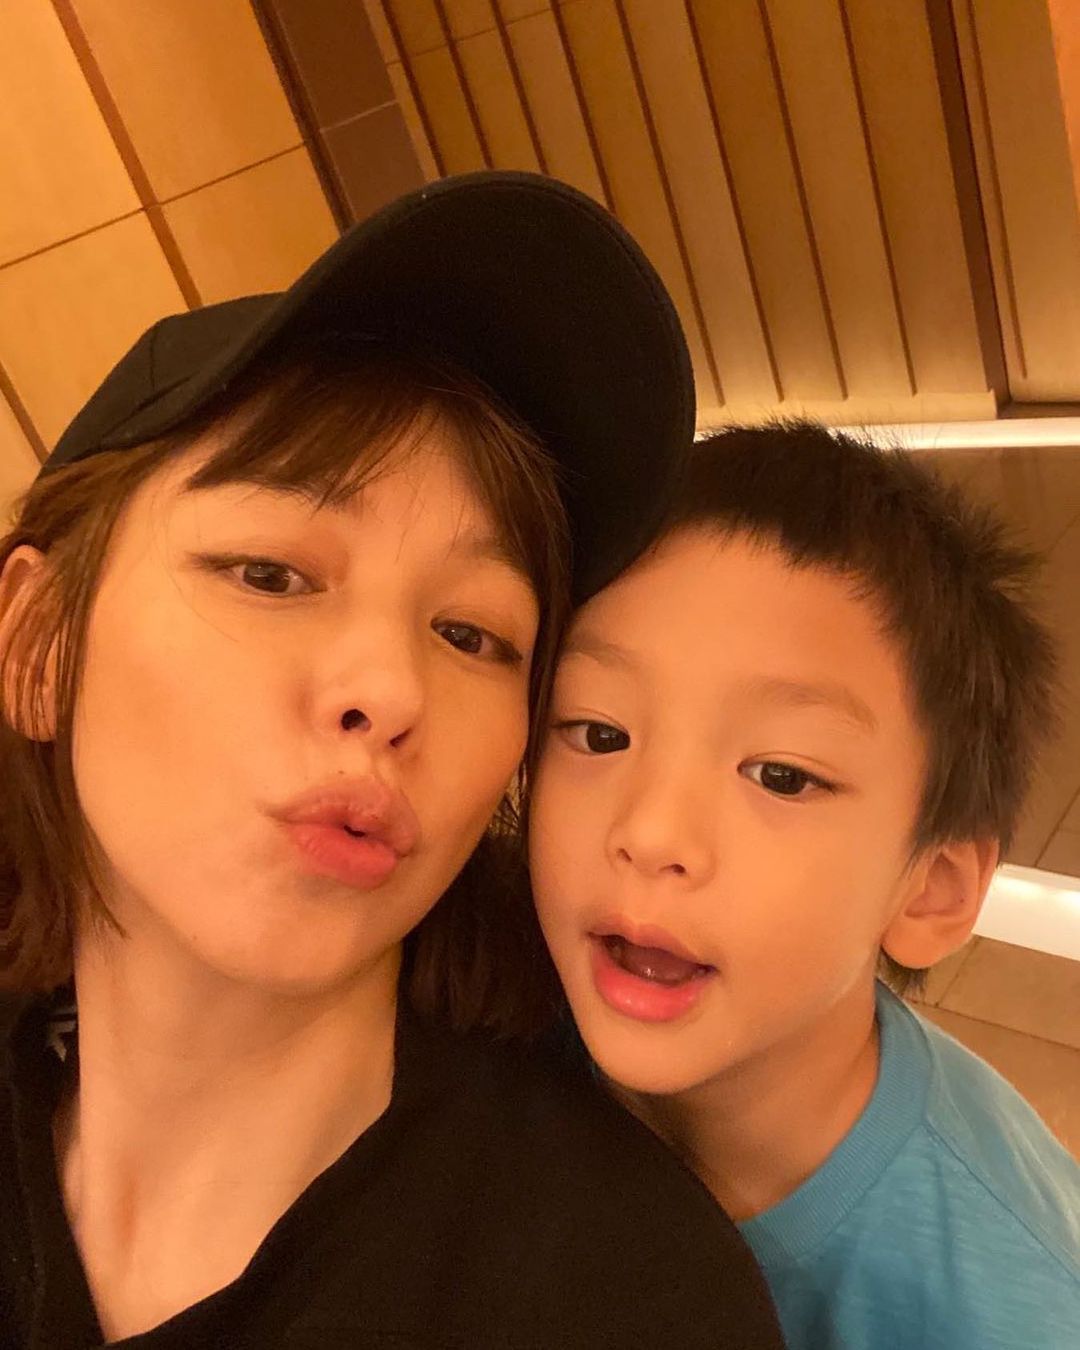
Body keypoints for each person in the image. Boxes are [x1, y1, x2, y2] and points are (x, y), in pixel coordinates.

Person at [0, 174, 784, 1348]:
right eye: (272, 575)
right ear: (39, 644)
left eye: (472, 635)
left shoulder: (629, 1303)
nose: (392, 691)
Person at [531, 421, 1080, 1349]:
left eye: (782, 776)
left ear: (931, 890)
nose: (651, 834)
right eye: (599, 733)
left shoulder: (1014, 1307)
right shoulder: (480, 1021)